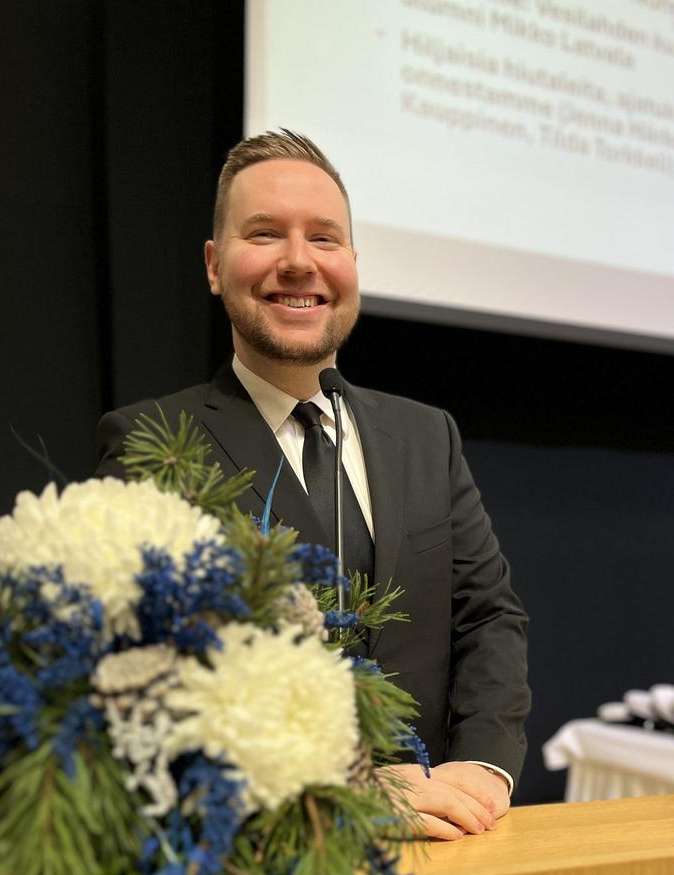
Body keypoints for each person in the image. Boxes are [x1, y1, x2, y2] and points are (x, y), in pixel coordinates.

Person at [97, 130, 530, 839]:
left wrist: (484, 768)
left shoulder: (429, 436)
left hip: (450, 841)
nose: (299, 261)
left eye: (324, 238)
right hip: (261, 859)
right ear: (214, 265)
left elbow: (488, 617)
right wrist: (342, 792)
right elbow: (143, 680)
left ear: (352, 264)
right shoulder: (152, 444)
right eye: (265, 233)